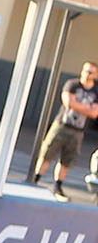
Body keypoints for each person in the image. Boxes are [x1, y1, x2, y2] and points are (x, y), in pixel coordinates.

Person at [35, 61, 98, 201]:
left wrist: (78, 106)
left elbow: (94, 113)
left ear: (95, 75)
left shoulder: (96, 91)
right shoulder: (73, 84)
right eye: (85, 71)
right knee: (47, 153)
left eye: (90, 72)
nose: (87, 74)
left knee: (66, 160)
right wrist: (87, 108)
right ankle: (36, 178)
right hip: (62, 125)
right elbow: (68, 102)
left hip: (78, 131)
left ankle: (58, 186)